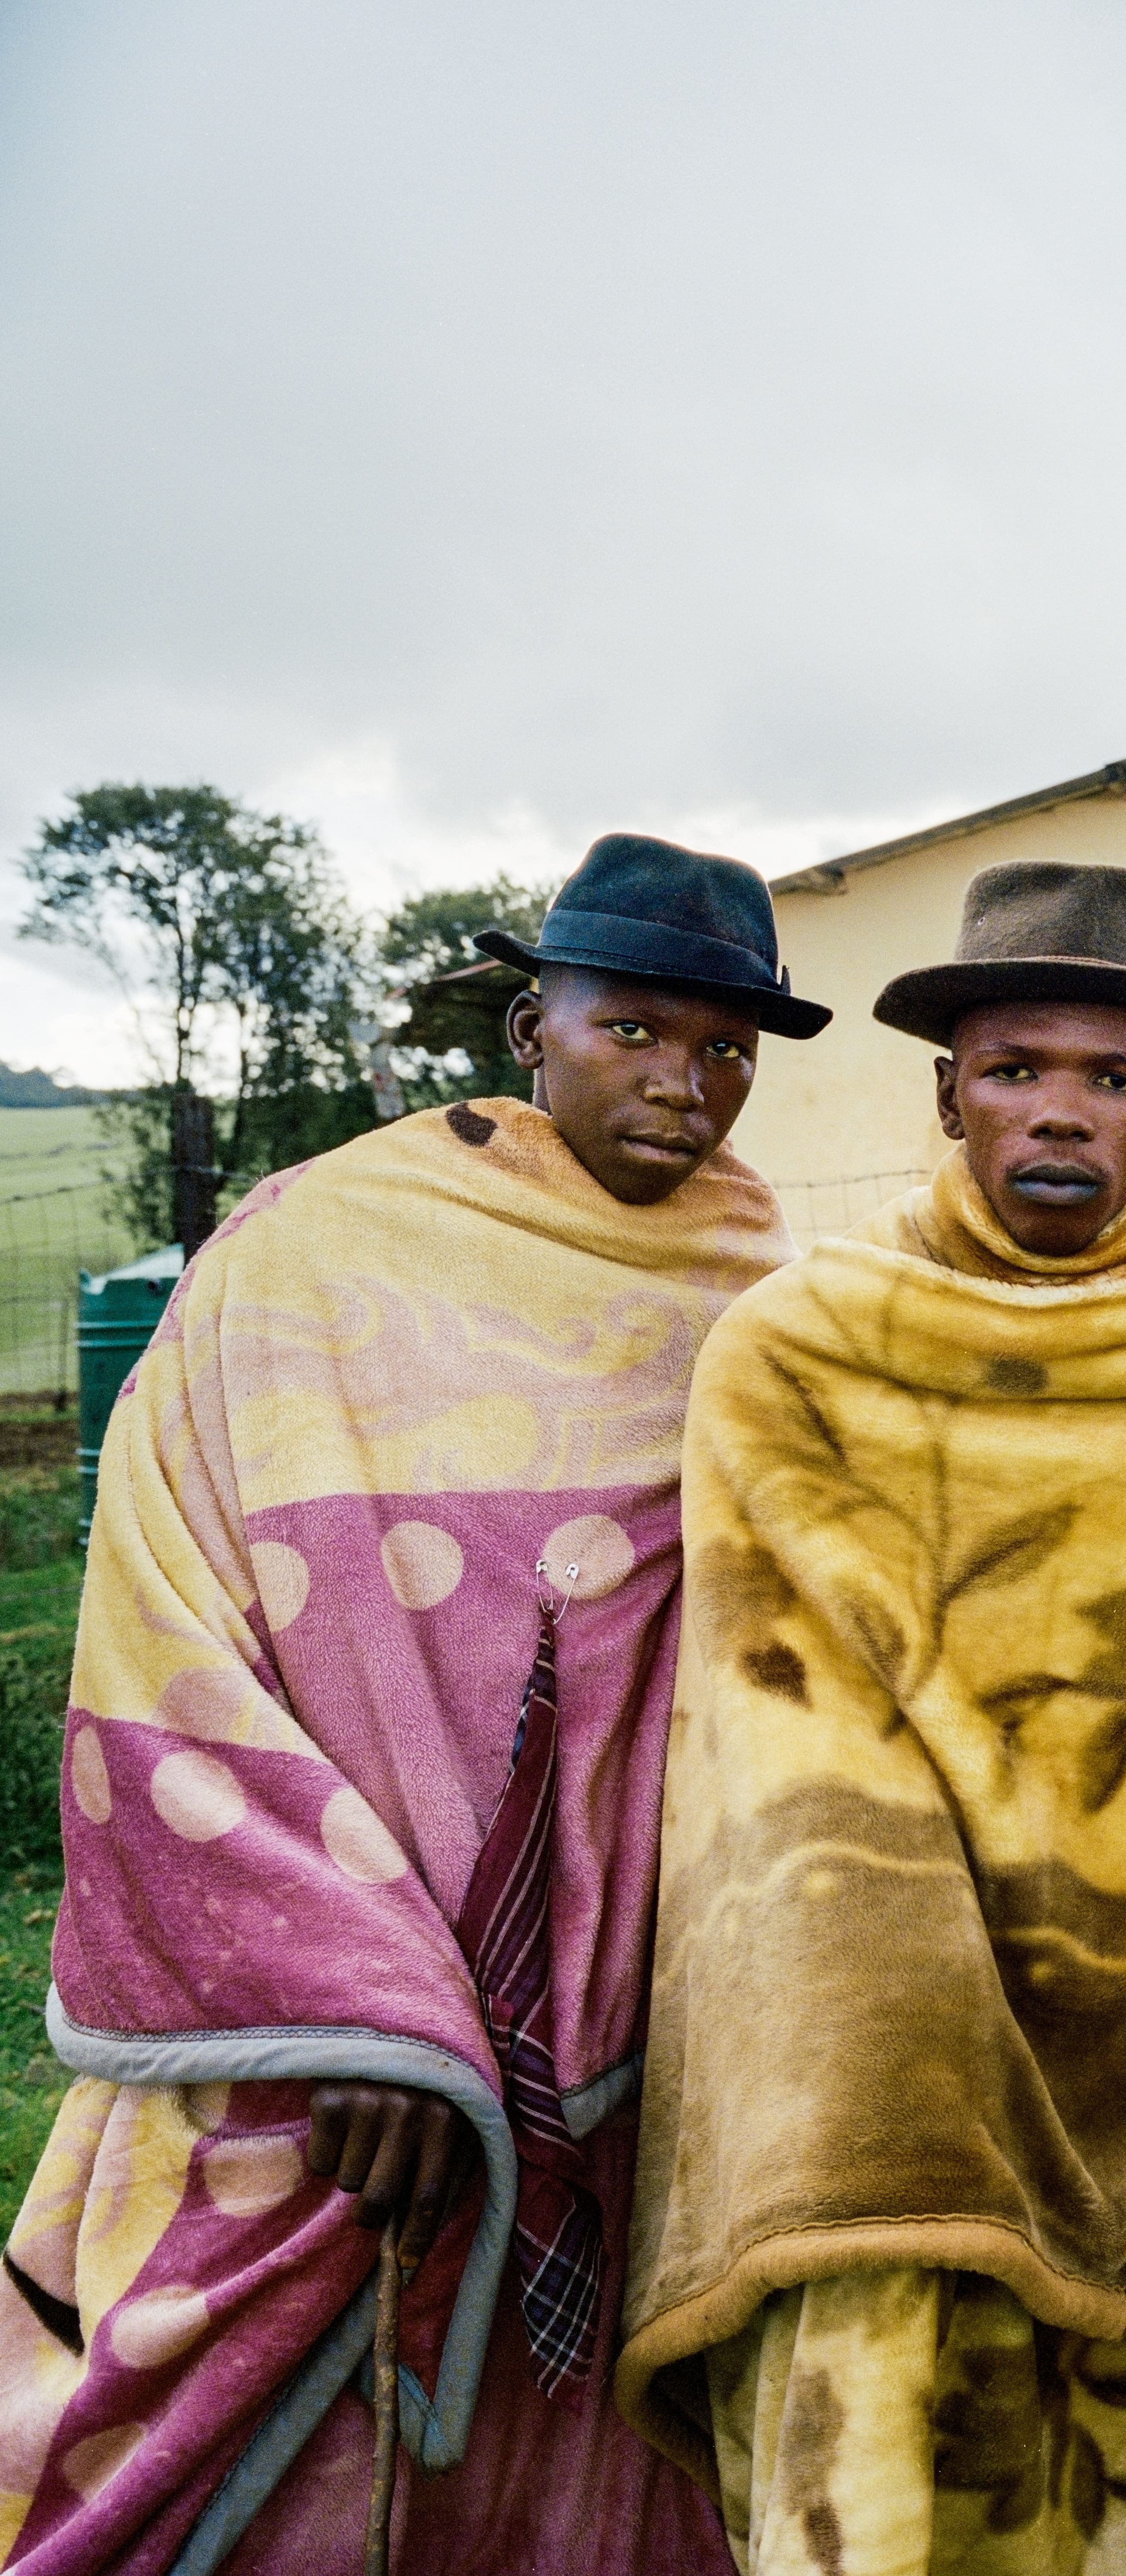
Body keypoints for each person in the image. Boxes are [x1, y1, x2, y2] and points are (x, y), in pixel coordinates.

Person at [0, 835, 822, 2572]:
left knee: (594, 2488)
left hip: (630, 2049)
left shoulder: (765, 1303)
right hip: (321, 2052)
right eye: (638, 1030)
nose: (686, 1083)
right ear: (537, 1022)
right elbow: (168, 1613)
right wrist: (353, 2003)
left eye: (729, 1049)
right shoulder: (311, 1254)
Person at [617, 862, 1126, 2576]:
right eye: (1018, 1066)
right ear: (946, 1089)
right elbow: (786, 1718)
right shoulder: (798, 1350)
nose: (1061, 1112)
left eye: (1115, 1078)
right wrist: (904, 2009)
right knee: (894, 2433)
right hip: (895, 2020)